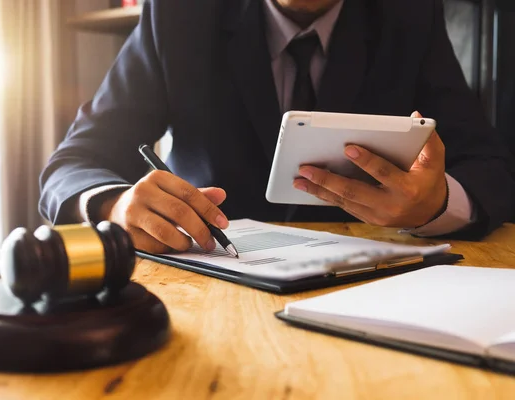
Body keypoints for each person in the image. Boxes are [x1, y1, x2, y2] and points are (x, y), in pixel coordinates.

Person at [39, 0, 515, 254]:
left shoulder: (409, 14)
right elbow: (76, 163)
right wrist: (115, 204)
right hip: (212, 274)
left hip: (370, 280)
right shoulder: (179, 12)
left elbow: (490, 169)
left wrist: (436, 205)